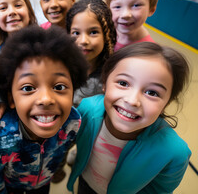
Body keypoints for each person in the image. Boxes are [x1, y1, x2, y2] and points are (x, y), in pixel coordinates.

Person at [67, 42, 191, 193]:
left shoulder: (174, 152)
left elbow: (158, 191)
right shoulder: (86, 108)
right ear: (105, 83)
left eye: (152, 93)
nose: (132, 100)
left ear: (167, 103)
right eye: (123, 83)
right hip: (84, 182)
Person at [0, 25, 89, 194]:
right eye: (28, 88)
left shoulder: (73, 123)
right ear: (11, 98)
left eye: (60, 86)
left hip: (43, 184)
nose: (46, 99)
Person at [66, 0, 117, 106]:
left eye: (93, 32)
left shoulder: (112, 76)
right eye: (76, 33)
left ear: (106, 35)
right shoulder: (62, 67)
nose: (83, 41)